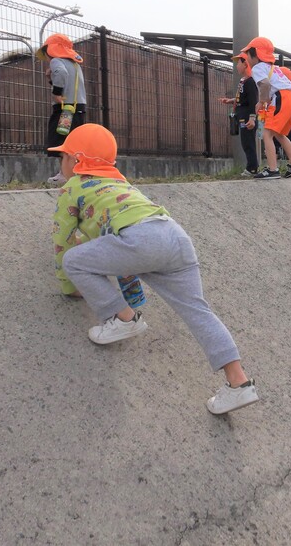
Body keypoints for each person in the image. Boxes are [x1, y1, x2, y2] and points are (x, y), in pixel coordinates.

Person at [50, 123, 260, 415]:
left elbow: (61, 240)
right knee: (197, 310)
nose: (61, 164)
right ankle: (239, 382)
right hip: (174, 236)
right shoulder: (122, 186)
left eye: (63, 157)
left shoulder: (73, 186)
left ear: (76, 160)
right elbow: (119, 253)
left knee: (74, 261)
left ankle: (124, 319)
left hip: (140, 241)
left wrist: (69, 284)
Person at [238, 37, 291, 180]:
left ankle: (272, 170)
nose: (246, 58)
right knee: (278, 133)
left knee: (267, 134)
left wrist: (261, 102)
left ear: (255, 53)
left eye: (247, 54)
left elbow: (265, 85)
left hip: (281, 98)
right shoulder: (272, 67)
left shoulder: (257, 68)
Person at [38, 33, 87, 184]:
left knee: (61, 140)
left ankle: (64, 175)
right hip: (78, 107)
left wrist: (56, 93)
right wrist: (50, 78)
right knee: (74, 142)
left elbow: (61, 73)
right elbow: (69, 80)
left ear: (49, 50)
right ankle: (75, 174)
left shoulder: (56, 61)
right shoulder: (75, 64)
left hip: (65, 109)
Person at [221, 53, 261, 176]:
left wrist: (252, 118)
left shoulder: (250, 81)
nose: (236, 65)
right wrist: (231, 100)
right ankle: (251, 167)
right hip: (243, 117)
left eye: (238, 63)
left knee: (248, 143)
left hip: (248, 118)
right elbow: (243, 98)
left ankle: (252, 168)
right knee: (246, 142)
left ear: (245, 64)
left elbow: (253, 100)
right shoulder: (243, 80)